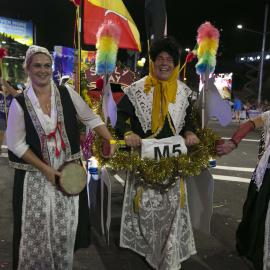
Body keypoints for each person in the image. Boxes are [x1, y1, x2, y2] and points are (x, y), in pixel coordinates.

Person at [5, 45, 115, 270]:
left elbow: (90, 117)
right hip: (34, 180)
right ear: (28, 68)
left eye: (47, 65)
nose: (43, 70)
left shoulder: (66, 93)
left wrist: (108, 139)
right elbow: (16, 144)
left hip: (67, 176)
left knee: (64, 231)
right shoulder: (19, 104)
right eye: (37, 65)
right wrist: (46, 170)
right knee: (36, 232)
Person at [114, 37, 200, 269]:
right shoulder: (136, 89)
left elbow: (190, 121)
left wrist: (191, 132)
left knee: (172, 210)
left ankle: (168, 256)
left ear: (175, 64)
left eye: (169, 59)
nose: (164, 63)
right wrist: (128, 133)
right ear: (153, 61)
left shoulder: (184, 92)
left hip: (173, 162)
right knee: (146, 210)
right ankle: (151, 249)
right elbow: (120, 118)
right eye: (160, 58)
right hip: (145, 160)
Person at [216, 112, 270, 270]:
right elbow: (249, 124)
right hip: (265, 173)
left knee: (255, 210)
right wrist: (232, 142)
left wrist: (233, 143)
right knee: (255, 210)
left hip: (265, 173)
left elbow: (249, 124)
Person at [0, 81, 19, 154]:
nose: (4, 87)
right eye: (3, 86)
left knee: (12, 134)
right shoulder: (0, 96)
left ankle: (13, 149)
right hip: (1, 116)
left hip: (11, 118)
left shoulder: (12, 96)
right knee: (1, 132)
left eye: (6, 86)